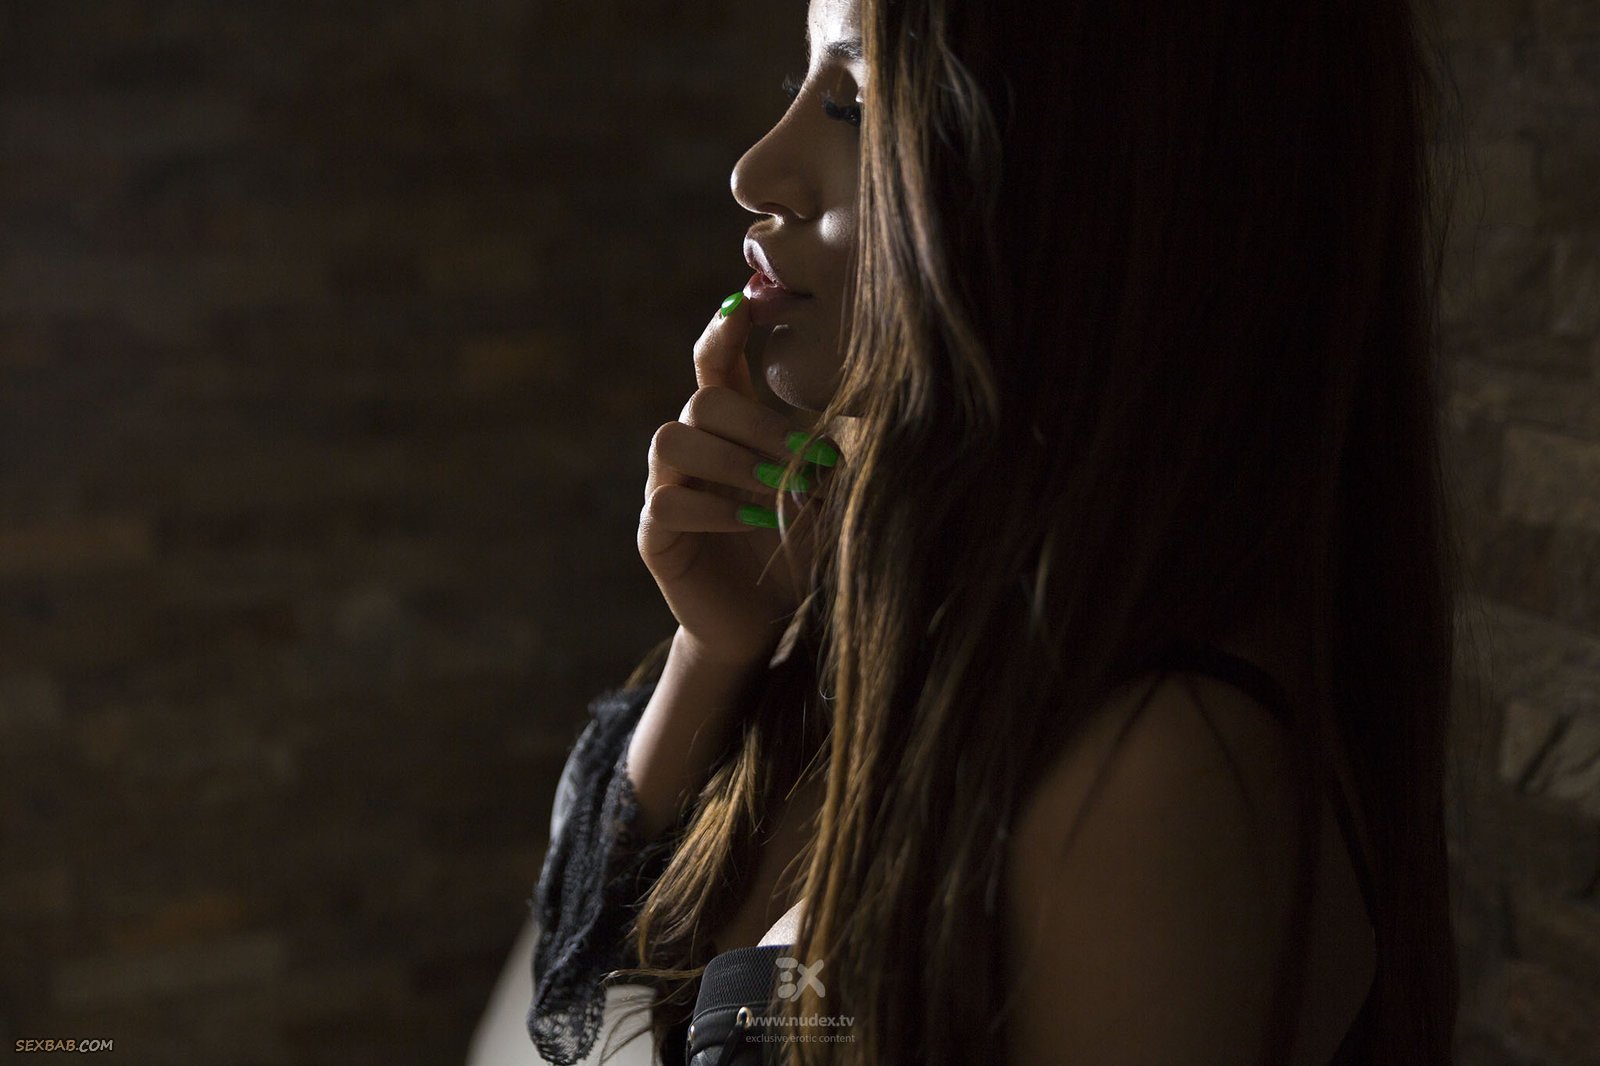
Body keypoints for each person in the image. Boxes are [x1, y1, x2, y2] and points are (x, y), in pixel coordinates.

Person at [527, 0, 1473, 1062]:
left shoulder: (1150, 778)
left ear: (1088, 181)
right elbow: (575, 981)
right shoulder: (874, 633)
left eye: (857, 104)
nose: (756, 172)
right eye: (800, 85)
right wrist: (716, 652)